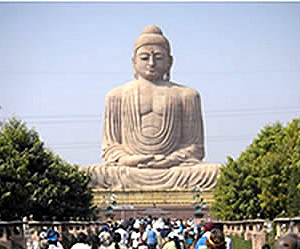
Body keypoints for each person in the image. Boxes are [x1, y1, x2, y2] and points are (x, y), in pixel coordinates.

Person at [85, 24, 220, 191]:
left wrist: (170, 160)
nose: (151, 63)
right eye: (144, 58)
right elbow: (111, 147)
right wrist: (129, 160)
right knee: (89, 174)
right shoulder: (116, 96)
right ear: (134, 62)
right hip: (130, 169)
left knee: (216, 173)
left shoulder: (187, 95)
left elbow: (195, 147)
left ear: (170, 61)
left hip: (174, 169)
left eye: (158, 57)